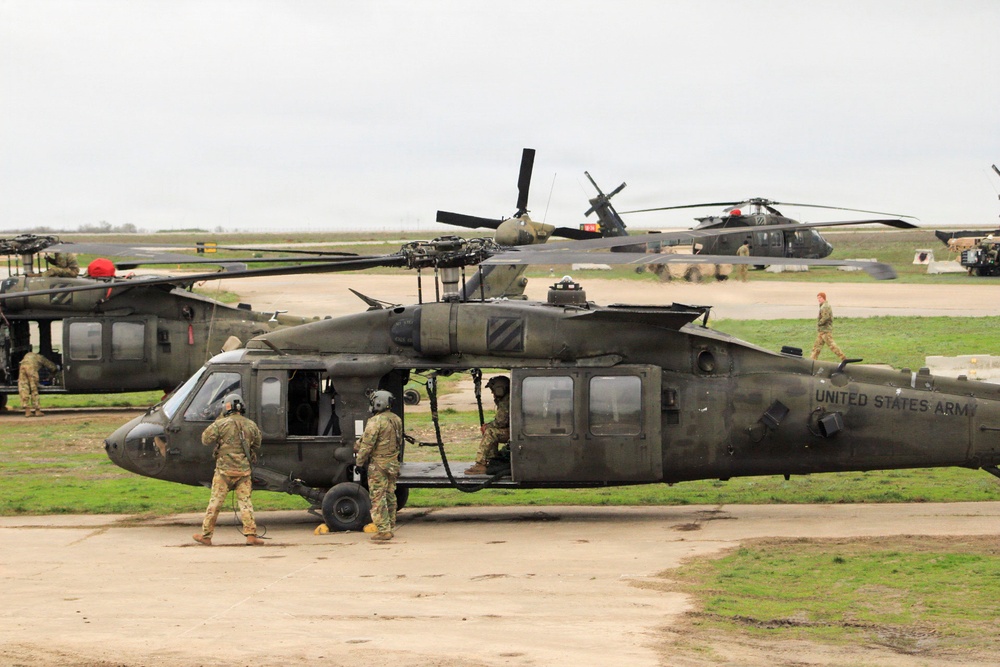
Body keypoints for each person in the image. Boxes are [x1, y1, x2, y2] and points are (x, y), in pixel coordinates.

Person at [193, 393, 264, 546]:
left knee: (215, 503)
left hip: (223, 472)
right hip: (243, 472)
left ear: (226, 407)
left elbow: (205, 439)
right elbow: (257, 444)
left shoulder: (221, 424)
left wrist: (219, 422)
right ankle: (251, 535)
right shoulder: (250, 424)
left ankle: (206, 536)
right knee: (245, 503)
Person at [354, 390, 402, 542]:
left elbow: (367, 444)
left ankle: (383, 530)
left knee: (377, 497)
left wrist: (359, 462)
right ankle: (390, 525)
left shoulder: (375, 421)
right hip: (392, 463)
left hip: (378, 465)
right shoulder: (396, 419)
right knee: (390, 495)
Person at [464, 376, 511, 476]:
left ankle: (481, 463)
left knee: (490, 432)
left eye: (493, 390)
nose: (492, 393)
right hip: (515, 430)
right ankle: (491, 460)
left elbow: (501, 422)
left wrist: (487, 426)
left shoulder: (506, 401)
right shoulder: (509, 398)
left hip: (515, 432)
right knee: (491, 429)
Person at [18, 349, 59, 417]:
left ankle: (27, 411)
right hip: (31, 369)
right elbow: (52, 367)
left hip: (22, 368)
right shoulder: (41, 358)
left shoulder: (29, 354)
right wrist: (54, 373)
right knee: (34, 389)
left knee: (24, 389)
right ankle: (37, 410)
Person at [810, 292, 847, 362]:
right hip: (822, 331)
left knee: (832, 346)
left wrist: (819, 323)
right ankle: (812, 361)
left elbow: (826, 317)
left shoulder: (825, 306)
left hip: (825, 331)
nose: (819, 299)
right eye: (818, 298)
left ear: (824, 298)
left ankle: (844, 358)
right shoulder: (823, 306)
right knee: (816, 347)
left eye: (820, 298)